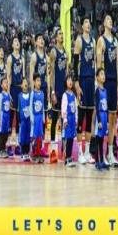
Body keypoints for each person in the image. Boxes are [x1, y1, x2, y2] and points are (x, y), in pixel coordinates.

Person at [96, 14, 118, 167]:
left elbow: (117, 64)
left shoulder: (116, 41)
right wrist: (99, 83)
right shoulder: (101, 40)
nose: (110, 21)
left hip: (113, 82)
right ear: (104, 24)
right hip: (104, 83)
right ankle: (99, 153)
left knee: (113, 119)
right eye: (108, 20)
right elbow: (99, 64)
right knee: (103, 119)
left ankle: (110, 152)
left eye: (111, 20)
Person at [73, 17, 96, 165]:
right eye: (85, 22)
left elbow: (95, 62)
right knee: (81, 117)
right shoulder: (79, 40)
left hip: (91, 81)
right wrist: (76, 83)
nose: (88, 24)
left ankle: (87, 152)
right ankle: (80, 152)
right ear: (82, 26)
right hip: (82, 80)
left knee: (89, 117)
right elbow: (75, 64)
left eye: (89, 23)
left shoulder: (93, 41)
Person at [49, 28, 68, 164]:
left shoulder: (65, 52)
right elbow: (51, 74)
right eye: (60, 34)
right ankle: (52, 150)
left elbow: (66, 72)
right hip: (57, 90)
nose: (62, 36)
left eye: (62, 34)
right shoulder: (53, 52)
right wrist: (52, 92)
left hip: (64, 90)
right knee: (55, 120)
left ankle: (64, 149)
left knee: (64, 119)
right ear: (56, 37)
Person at [7, 36, 25, 142]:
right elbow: (8, 76)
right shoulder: (10, 58)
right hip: (13, 88)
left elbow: (23, 75)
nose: (17, 42)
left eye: (18, 41)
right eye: (15, 41)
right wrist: (8, 92)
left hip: (20, 88)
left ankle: (18, 138)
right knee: (11, 114)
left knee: (19, 115)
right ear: (12, 45)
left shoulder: (22, 58)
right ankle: (9, 138)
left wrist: (24, 89)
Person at [93, 68, 109, 171]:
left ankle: (102, 161)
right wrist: (98, 121)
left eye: (104, 74)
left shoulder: (105, 90)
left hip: (105, 116)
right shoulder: (97, 91)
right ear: (97, 77)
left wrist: (107, 121)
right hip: (100, 116)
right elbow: (97, 107)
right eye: (101, 74)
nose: (103, 76)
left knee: (102, 139)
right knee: (98, 140)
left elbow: (106, 106)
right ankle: (97, 161)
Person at [62, 75, 78, 167]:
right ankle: (67, 158)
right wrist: (65, 119)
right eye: (68, 80)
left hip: (72, 120)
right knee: (68, 139)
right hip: (68, 120)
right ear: (65, 82)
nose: (70, 82)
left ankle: (69, 156)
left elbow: (76, 108)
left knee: (71, 139)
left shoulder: (74, 95)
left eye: (71, 80)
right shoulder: (65, 95)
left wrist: (76, 119)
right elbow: (63, 108)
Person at [30, 73, 46, 163]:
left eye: (40, 80)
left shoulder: (42, 93)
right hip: (35, 118)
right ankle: (34, 154)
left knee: (40, 136)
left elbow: (43, 107)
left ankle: (39, 153)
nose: (39, 82)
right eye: (37, 80)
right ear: (34, 82)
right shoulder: (33, 93)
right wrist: (32, 118)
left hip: (40, 118)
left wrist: (43, 117)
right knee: (34, 136)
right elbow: (30, 106)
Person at [0, 78, 12, 158]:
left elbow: (11, 104)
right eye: (5, 83)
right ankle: (0, 149)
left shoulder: (9, 95)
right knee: (2, 134)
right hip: (2, 117)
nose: (6, 84)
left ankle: (4, 149)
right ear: (1, 85)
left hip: (7, 117)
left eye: (7, 82)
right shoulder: (1, 95)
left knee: (6, 134)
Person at [17, 77, 31, 161]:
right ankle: (22, 152)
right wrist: (19, 120)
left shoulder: (30, 95)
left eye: (26, 82)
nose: (25, 83)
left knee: (28, 137)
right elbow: (18, 109)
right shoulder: (19, 96)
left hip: (29, 120)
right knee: (23, 137)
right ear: (21, 85)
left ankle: (27, 152)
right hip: (22, 121)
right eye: (24, 82)